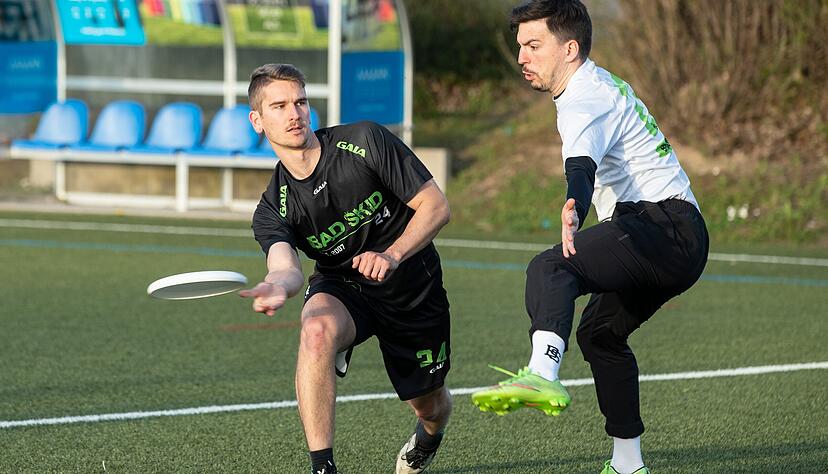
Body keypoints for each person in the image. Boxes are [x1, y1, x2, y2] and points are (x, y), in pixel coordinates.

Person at [471, 1, 709, 473]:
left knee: (551, 266)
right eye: (520, 46)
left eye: (534, 45)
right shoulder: (595, 86)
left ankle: (541, 374)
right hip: (674, 236)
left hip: (662, 227)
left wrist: (574, 207)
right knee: (599, 334)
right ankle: (627, 464)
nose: (522, 57)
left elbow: (581, 167)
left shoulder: (584, 93)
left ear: (570, 48)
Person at [240, 63, 453, 474]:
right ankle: (323, 467)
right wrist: (275, 286)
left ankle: (429, 436)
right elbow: (286, 267)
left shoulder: (363, 141)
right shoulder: (272, 208)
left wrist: (391, 254)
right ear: (258, 121)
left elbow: (436, 206)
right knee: (316, 330)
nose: (294, 114)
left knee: (428, 404)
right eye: (279, 105)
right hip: (344, 286)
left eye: (300, 102)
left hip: (411, 286)